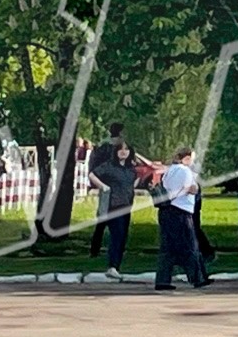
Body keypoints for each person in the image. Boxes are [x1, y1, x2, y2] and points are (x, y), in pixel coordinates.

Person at [86, 124, 140, 277]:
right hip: (113, 204)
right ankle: (112, 266)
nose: (123, 152)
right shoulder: (109, 166)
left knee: (122, 236)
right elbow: (92, 174)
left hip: (127, 205)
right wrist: (103, 186)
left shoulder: (130, 168)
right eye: (121, 150)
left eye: (126, 150)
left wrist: (132, 189)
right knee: (116, 234)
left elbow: (135, 178)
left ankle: (115, 265)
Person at [153, 148, 209, 290]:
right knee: (190, 246)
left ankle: (162, 280)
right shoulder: (185, 171)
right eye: (192, 159)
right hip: (181, 211)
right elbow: (189, 188)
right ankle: (197, 278)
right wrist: (193, 188)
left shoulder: (169, 171)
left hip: (166, 212)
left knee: (168, 248)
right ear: (186, 158)